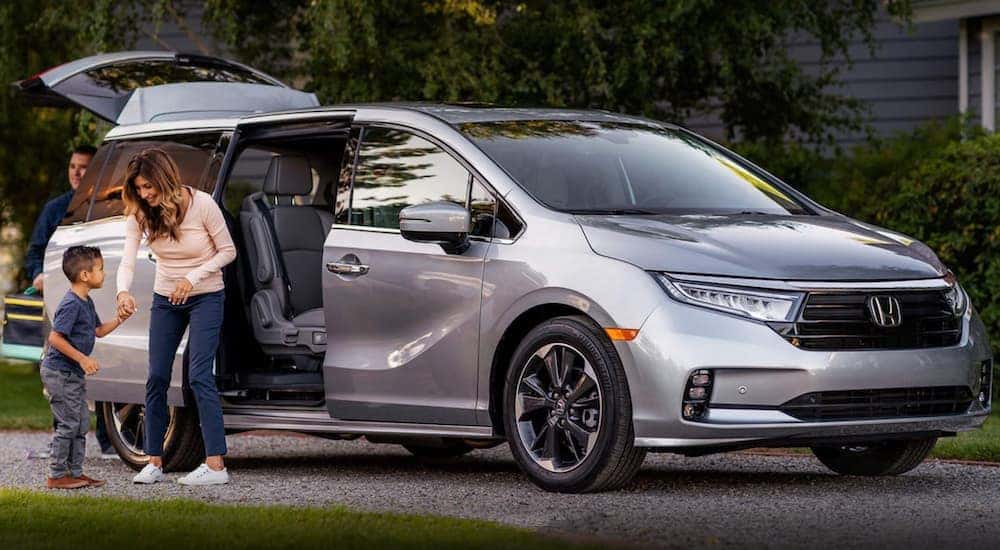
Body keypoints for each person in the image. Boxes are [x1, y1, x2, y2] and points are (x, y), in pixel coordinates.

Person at [115, 148, 236, 486]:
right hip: (166, 299)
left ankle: (215, 466)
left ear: (165, 180)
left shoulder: (202, 205)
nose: (144, 194)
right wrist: (122, 292)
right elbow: (127, 260)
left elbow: (229, 251)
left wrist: (192, 278)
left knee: (199, 376)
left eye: (149, 187)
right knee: (155, 377)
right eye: (139, 188)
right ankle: (154, 461)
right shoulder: (140, 214)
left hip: (206, 296)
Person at [23, 144, 116, 461]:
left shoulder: (107, 209)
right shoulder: (56, 209)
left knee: (103, 366)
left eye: (84, 167)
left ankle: (108, 440)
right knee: (62, 369)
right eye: (73, 166)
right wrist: (37, 274)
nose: (77, 172)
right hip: (60, 300)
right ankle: (61, 443)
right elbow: (34, 253)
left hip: (96, 297)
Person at [40, 246, 131, 489]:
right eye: (100, 269)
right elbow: (55, 338)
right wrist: (82, 358)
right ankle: (57, 475)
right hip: (59, 372)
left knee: (80, 422)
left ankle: (75, 472)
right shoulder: (71, 304)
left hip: (72, 373)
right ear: (84, 275)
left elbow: (97, 331)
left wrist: (120, 319)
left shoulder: (86, 301)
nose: (104, 274)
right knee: (68, 424)